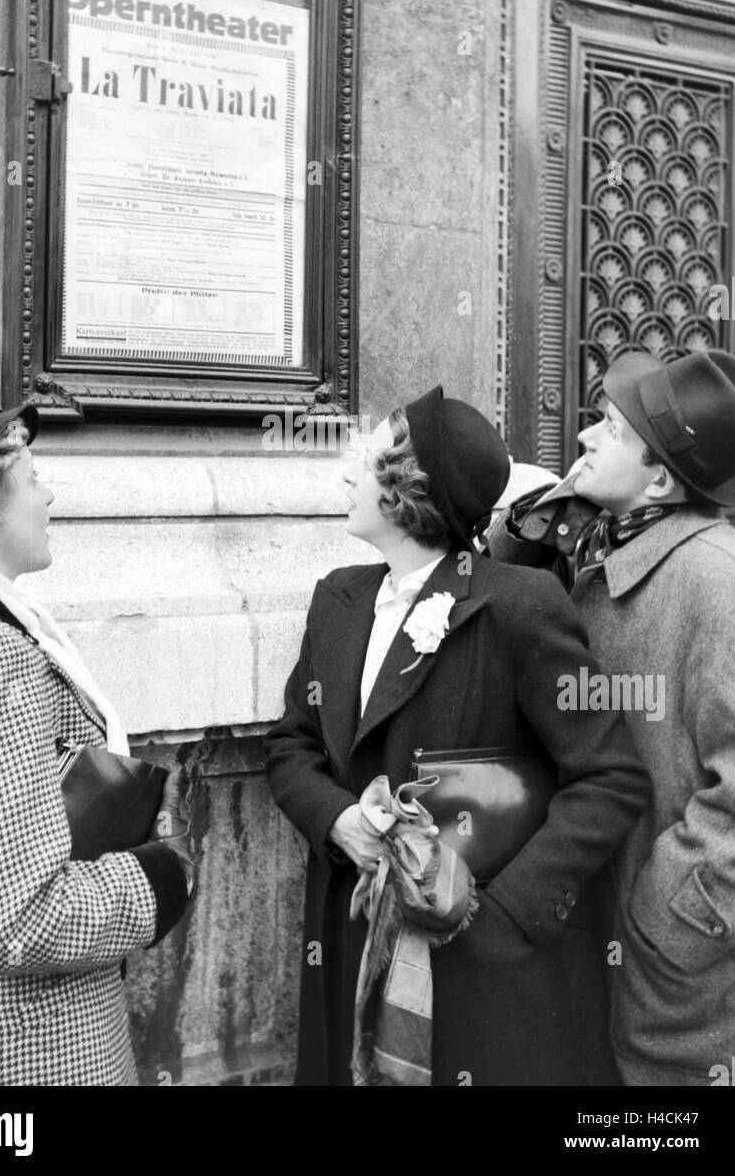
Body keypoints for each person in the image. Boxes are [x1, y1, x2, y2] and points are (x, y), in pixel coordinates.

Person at [265, 385, 648, 1086]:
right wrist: (337, 818)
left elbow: (609, 779)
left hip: (475, 959)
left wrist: (504, 915)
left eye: (369, 460)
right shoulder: (338, 599)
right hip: (356, 939)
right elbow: (291, 744)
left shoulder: (519, 605)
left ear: (412, 492)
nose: (348, 473)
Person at [0, 392, 194, 1086]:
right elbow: (19, 924)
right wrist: (164, 875)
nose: (48, 495)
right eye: (32, 478)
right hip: (29, 1056)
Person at [489, 348, 735, 1086]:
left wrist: (668, 921)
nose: (583, 440)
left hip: (675, 961)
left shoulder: (716, 578)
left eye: (608, 427)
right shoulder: (610, 542)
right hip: (594, 928)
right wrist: (529, 526)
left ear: (660, 480)